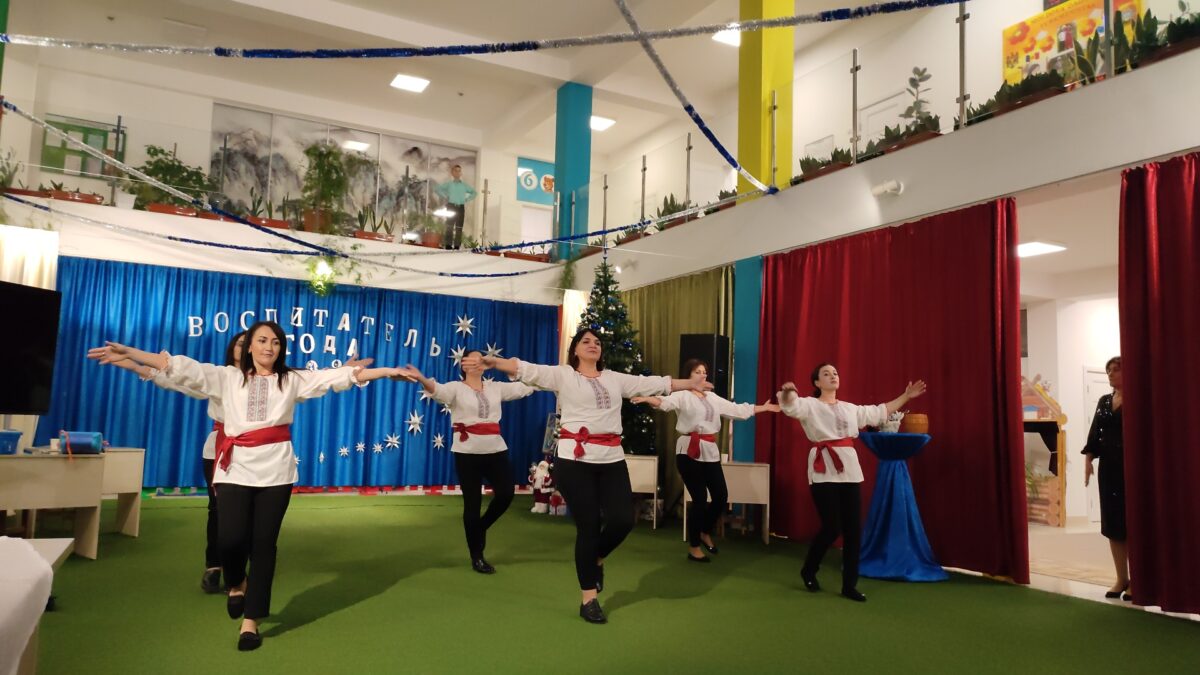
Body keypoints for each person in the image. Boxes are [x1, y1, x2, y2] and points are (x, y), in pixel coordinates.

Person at [87, 321, 401, 651]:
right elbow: (176, 367)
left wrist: (387, 371)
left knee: (264, 545)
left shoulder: (291, 379)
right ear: (249, 346)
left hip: (276, 471)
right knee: (230, 538)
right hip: (234, 468)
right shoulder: (227, 377)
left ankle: (251, 620)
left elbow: (339, 377)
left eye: (276, 342)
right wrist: (130, 353)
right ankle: (237, 581)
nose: (269, 347)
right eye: (262, 340)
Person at [465, 328, 711, 624]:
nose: (593, 344)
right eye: (586, 341)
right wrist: (493, 362)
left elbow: (656, 383)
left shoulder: (614, 378)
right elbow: (525, 368)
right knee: (589, 527)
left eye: (597, 342)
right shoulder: (564, 375)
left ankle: (597, 558)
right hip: (574, 460)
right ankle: (589, 599)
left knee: (623, 520)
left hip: (612, 459)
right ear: (575, 350)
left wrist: (691, 382)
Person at [110, 331, 246, 594]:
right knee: (218, 509)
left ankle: (237, 570)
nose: (244, 347)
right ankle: (214, 565)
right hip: (219, 449)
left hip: (252, 452)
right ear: (232, 349)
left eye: (248, 343)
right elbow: (181, 381)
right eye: (240, 343)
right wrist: (134, 365)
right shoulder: (219, 375)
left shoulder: (267, 379)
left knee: (244, 513)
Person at [778, 363, 926, 602]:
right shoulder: (810, 405)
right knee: (831, 526)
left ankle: (849, 585)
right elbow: (789, 405)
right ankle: (809, 569)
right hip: (824, 470)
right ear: (817, 382)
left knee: (853, 531)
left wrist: (906, 396)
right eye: (826, 374)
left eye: (835, 373)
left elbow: (880, 411)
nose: (833, 376)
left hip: (849, 470)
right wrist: (788, 392)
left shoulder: (850, 409)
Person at [393, 350, 538, 574]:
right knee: (472, 504)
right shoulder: (456, 388)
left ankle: (480, 527)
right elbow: (438, 391)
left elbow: (525, 387)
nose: (478, 362)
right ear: (463, 364)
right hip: (467, 453)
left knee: (506, 494)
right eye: (473, 358)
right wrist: (421, 377)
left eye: (481, 358)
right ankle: (477, 556)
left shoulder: (495, 387)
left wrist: (549, 378)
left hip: (495, 449)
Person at [632, 359, 780, 562]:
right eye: (697, 372)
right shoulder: (683, 395)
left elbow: (737, 410)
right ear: (688, 376)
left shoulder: (712, 397)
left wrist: (764, 407)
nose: (702, 375)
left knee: (721, 496)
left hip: (710, 451)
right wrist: (648, 399)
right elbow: (665, 403)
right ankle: (694, 547)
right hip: (688, 451)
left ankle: (704, 531)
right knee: (699, 499)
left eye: (704, 372)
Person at [1083, 356, 1130, 601]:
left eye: (1116, 369)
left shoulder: (1138, 399)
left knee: (1132, 523)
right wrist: (1088, 460)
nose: (1110, 374)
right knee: (1113, 524)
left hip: (1132, 468)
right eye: (1108, 370)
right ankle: (1121, 578)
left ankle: (1139, 580)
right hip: (1109, 468)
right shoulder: (1104, 401)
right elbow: (1095, 433)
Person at [433, 163, 477, 250]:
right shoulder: (449, 184)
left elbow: (474, 193)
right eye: (455, 171)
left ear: (461, 173)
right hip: (451, 206)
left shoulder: (464, 185)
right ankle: (448, 246)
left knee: (459, 228)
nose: (457, 172)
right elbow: (437, 189)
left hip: (461, 207)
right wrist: (445, 196)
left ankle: (457, 246)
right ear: (452, 173)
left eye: (459, 171)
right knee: (449, 226)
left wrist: (467, 199)